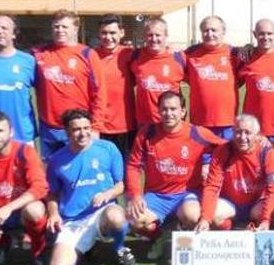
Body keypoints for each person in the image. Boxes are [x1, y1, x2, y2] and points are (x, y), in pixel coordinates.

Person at [125, 92, 225, 260]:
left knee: (192, 216)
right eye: (164, 109)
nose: (168, 113)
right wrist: (135, 195)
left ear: (183, 112)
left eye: (173, 109)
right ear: (158, 111)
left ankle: (184, 235)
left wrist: (259, 140)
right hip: (157, 195)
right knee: (133, 220)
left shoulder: (197, 133)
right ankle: (161, 237)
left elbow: (228, 146)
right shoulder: (147, 133)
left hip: (187, 193)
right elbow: (133, 166)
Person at [46, 109, 132, 265]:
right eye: (76, 129)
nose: (83, 133)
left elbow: (121, 186)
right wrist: (53, 213)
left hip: (101, 214)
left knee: (116, 216)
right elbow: (52, 193)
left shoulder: (108, 148)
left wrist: (107, 194)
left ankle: (120, 248)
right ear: (67, 132)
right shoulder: (56, 160)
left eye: (86, 128)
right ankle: (87, 247)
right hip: (73, 221)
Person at [34, 10, 107, 157]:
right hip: (49, 129)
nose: (60, 30)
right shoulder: (40, 54)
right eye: (56, 26)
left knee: (78, 173)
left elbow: (99, 93)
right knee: (51, 174)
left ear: (75, 29)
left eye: (64, 27)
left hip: (77, 127)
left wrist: (95, 127)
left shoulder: (87, 54)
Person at [0, 112, 48, 265]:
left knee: (35, 209)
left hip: (20, 211)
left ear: (11, 131)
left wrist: (8, 208)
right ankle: (4, 241)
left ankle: (39, 250)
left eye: (0, 131)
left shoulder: (24, 152)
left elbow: (40, 188)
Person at [196, 114, 274, 232]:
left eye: (248, 133)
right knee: (213, 215)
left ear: (257, 135)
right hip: (231, 204)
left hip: (256, 204)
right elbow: (212, 187)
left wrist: (266, 221)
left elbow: (273, 190)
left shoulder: (268, 153)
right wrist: (205, 219)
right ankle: (232, 235)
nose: (242, 137)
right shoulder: (223, 151)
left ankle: (256, 228)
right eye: (238, 132)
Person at [184, 15, 244, 139]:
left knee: (226, 157)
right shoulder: (189, 54)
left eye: (214, 30)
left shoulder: (235, 54)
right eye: (206, 30)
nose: (209, 34)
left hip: (228, 123)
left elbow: (243, 79)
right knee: (202, 158)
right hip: (200, 122)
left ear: (223, 32)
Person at [0, 14, 37, 143]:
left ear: (14, 34)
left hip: (21, 136)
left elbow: (46, 94)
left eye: (4, 28)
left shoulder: (28, 61)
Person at [240, 19, 274, 142]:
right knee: (254, 161)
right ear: (255, 34)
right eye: (261, 33)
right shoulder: (246, 57)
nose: (265, 37)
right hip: (253, 127)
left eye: (269, 33)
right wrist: (246, 47)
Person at [130, 18, 186, 127]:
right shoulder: (135, 57)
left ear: (166, 35)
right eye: (150, 35)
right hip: (145, 123)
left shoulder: (179, 57)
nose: (154, 39)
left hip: (171, 122)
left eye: (158, 35)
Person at [95, 14, 137, 157]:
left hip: (126, 126)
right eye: (104, 33)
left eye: (112, 33)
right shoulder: (90, 56)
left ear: (121, 33)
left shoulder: (130, 55)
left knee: (126, 171)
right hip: (99, 127)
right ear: (98, 34)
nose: (108, 37)